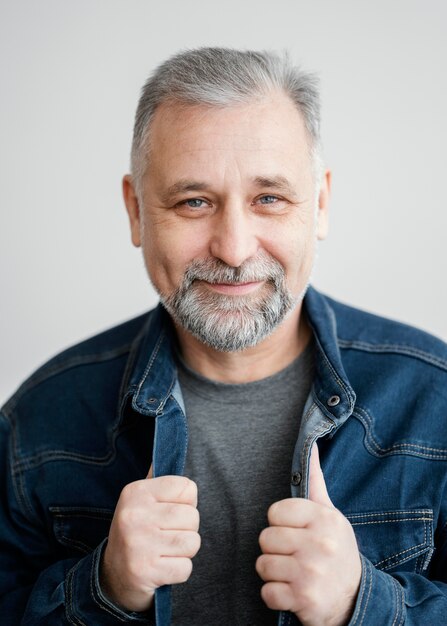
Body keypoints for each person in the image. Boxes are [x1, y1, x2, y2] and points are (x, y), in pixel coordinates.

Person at [1, 47, 446, 626]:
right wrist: (101, 586)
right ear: (136, 211)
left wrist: (361, 604)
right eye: (194, 202)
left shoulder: (434, 402)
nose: (233, 248)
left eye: (269, 199)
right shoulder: (38, 424)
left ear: (319, 205)